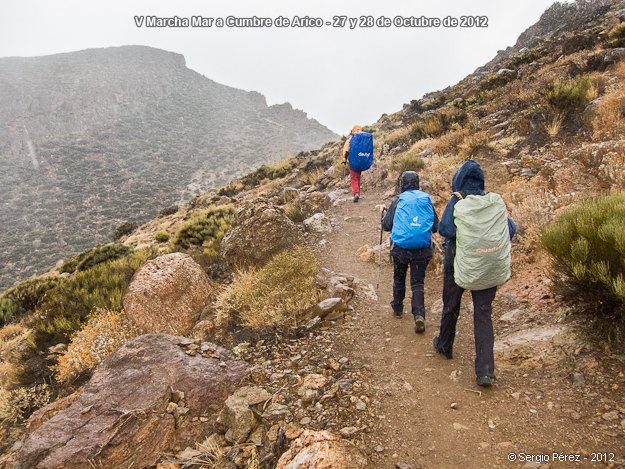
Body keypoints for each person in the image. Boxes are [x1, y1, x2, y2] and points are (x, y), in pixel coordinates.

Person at [432, 160, 516, 387]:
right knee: (483, 313)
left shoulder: (457, 200)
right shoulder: (493, 201)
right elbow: (510, 229)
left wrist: (467, 232)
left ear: (458, 179)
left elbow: (446, 229)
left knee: (451, 306)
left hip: (458, 262)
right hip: (488, 264)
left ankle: (445, 346)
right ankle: (485, 371)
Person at [382, 171, 439, 333]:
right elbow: (435, 226)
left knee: (399, 277)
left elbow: (386, 226)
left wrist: (384, 215)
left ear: (402, 184)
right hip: (422, 248)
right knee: (418, 282)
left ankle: (398, 308)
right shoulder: (425, 199)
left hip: (401, 248)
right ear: (417, 183)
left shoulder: (398, 201)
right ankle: (419, 315)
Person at [342, 125, 363, 202]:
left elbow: (346, 149)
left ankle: (356, 193)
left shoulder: (350, 139)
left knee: (353, 178)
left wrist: (344, 159)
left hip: (353, 161)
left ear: (353, 131)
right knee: (358, 177)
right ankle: (358, 192)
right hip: (361, 160)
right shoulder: (363, 139)